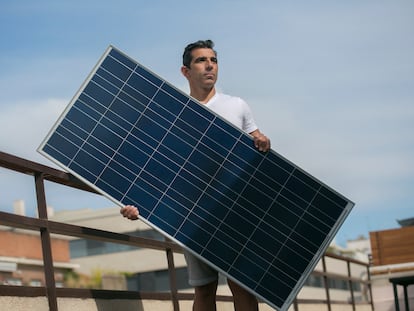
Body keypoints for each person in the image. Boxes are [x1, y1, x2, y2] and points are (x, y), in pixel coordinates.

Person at [121, 39, 271, 311]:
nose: (209, 65)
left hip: (233, 208)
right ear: (185, 71)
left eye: (213, 60)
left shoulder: (236, 105)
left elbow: (256, 143)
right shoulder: (173, 113)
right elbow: (158, 168)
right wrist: (136, 206)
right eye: (201, 60)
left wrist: (263, 141)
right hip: (193, 212)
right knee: (204, 289)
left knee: (242, 285)